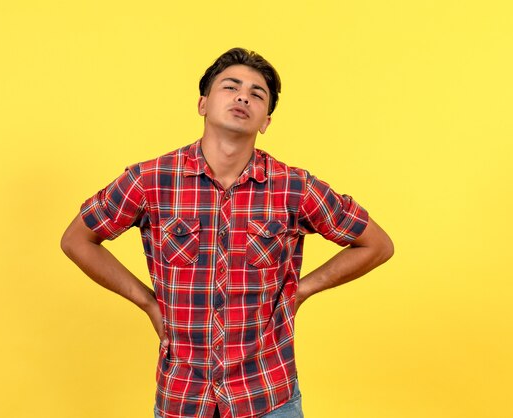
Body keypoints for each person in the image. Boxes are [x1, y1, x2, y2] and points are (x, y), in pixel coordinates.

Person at [61, 47, 394, 418]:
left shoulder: (293, 187)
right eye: (231, 87)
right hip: (184, 395)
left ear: (266, 120)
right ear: (203, 103)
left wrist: (302, 290)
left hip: (268, 394)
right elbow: (77, 239)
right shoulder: (151, 180)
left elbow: (376, 245)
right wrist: (148, 302)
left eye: (257, 94)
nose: (243, 97)